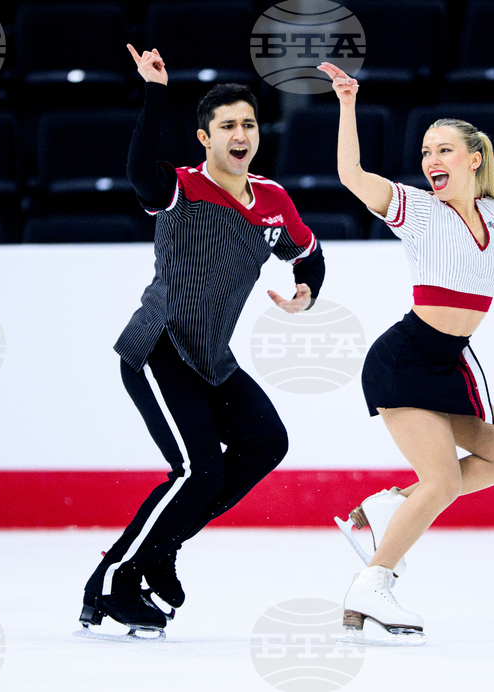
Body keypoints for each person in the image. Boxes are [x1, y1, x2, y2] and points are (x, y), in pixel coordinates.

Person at [76, 46, 326, 641]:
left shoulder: (271, 201)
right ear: (204, 138)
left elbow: (309, 253)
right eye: (227, 127)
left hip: (211, 357)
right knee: (196, 470)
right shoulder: (181, 188)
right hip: (158, 345)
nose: (240, 135)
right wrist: (154, 92)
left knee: (265, 441)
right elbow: (140, 170)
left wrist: (305, 292)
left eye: (248, 124)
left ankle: (161, 549)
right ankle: (112, 583)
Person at [318, 62, 494, 646]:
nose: (432, 158)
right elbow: (351, 173)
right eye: (427, 149)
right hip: (404, 358)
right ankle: (373, 581)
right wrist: (348, 104)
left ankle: (385, 509)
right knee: (442, 482)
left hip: (452, 359)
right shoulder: (417, 210)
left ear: (473, 159)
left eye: (446, 150)